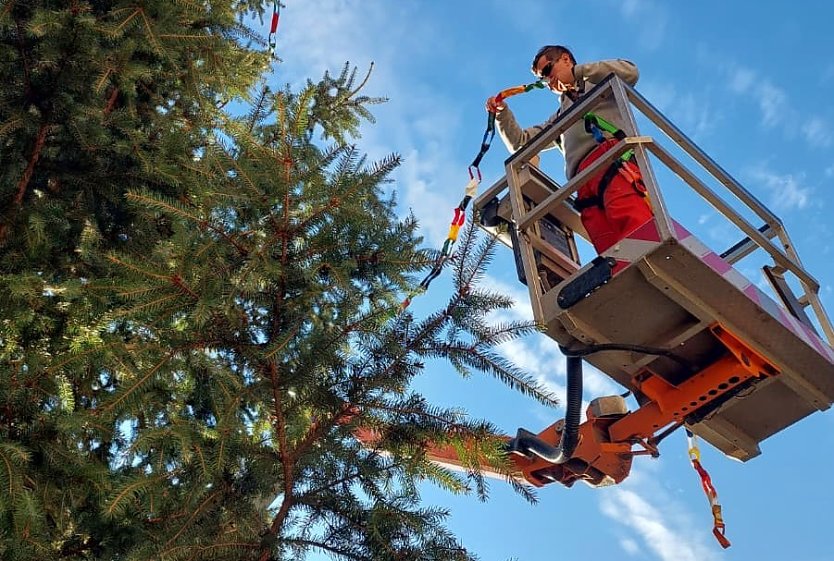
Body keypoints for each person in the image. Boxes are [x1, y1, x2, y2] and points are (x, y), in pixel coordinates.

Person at [486, 45, 653, 254]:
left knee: (634, 227)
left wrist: (577, 73)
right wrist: (502, 114)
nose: (547, 82)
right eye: (542, 79)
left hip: (614, 163)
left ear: (566, 59)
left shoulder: (599, 82)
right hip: (582, 183)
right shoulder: (560, 118)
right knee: (609, 248)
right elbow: (521, 143)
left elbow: (630, 71)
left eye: (547, 71)